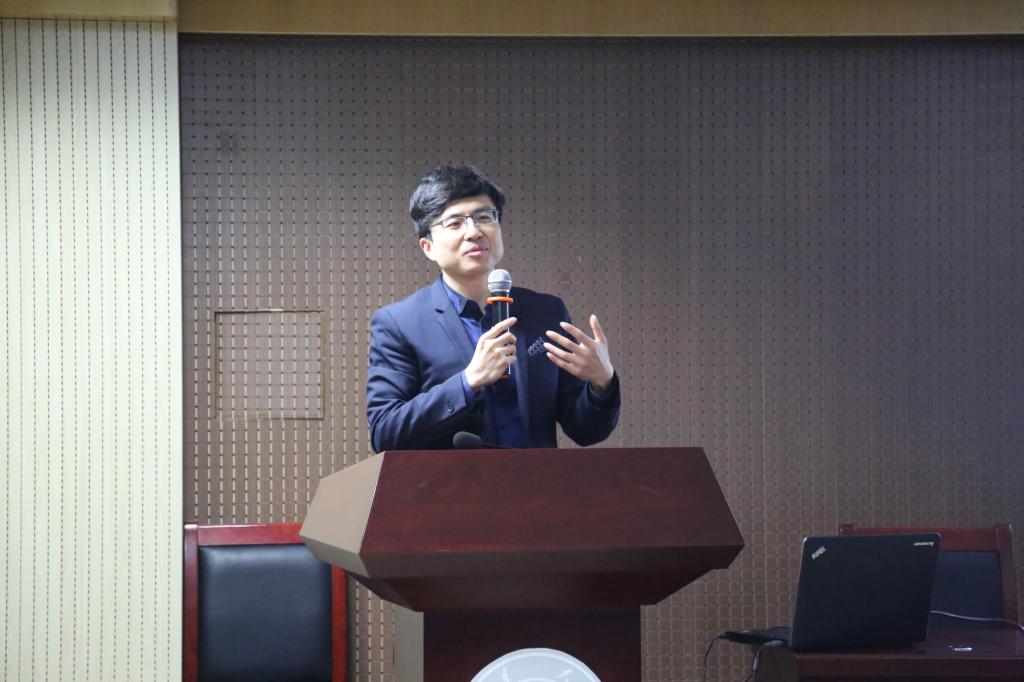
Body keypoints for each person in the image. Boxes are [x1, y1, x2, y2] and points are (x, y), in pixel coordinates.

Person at [366, 165, 620, 451]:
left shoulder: (546, 311)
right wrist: (467, 382)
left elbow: (586, 430)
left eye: (484, 217)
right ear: (428, 247)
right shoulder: (399, 323)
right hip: (450, 481)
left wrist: (602, 383)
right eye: (454, 223)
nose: (474, 232)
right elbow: (385, 432)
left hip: (536, 479)